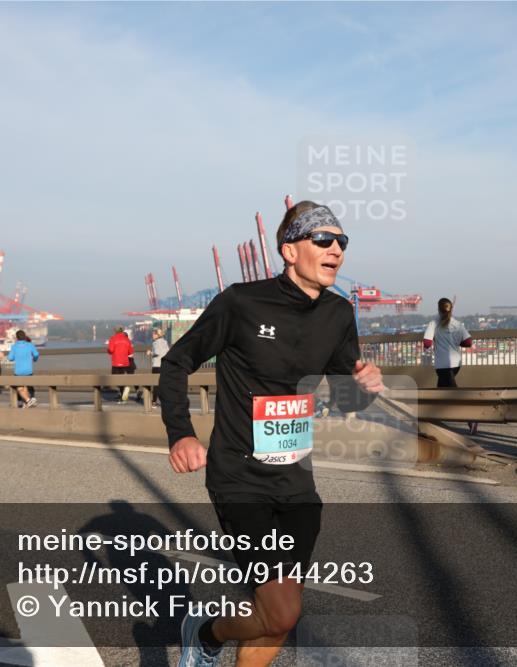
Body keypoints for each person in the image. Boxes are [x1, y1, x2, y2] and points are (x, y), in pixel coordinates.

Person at [158, 201, 384, 667]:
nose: (336, 249)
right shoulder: (241, 303)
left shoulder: (340, 314)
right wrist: (181, 433)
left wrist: (363, 390)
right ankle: (205, 633)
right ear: (289, 250)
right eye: (323, 240)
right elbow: (176, 361)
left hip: (297, 480)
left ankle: (209, 633)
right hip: (241, 478)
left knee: (276, 615)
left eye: (342, 242)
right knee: (283, 610)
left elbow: (344, 398)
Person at [423, 297, 476, 433]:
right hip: (456, 364)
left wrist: (436, 339)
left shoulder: (434, 323)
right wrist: (455, 342)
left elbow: (427, 344)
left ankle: (471, 418)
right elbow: (469, 342)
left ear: (438, 309)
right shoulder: (457, 324)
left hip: (442, 364)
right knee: (440, 391)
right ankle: (435, 422)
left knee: (453, 394)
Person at [8, 329, 39, 407]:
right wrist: (34, 359)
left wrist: (16, 356)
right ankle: (30, 400)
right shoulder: (30, 345)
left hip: (18, 372)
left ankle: (28, 401)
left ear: (17, 338)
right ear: (25, 337)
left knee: (19, 388)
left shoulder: (14, 346)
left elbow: (10, 358)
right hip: (28, 371)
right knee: (27, 388)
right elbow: (36, 354)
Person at [107, 326, 135, 403]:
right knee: (122, 378)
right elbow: (130, 351)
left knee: (116, 379)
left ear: (115, 331)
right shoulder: (127, 339)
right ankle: (124, 391)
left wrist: (109, 351)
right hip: (125, 363)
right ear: (122, 331)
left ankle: (122, 393)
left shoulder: (113, 338)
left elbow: (110, 350)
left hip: (116, 362)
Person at [147, 327, 170, 406]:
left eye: (154, 334)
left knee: (156, 384)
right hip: (164, 365)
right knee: (163, 383)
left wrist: (150, 352)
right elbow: (168, 352)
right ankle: (166, 400)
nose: (152, 335)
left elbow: (157, 352)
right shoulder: (165, 342)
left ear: (157, 335)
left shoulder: (155, 343)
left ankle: (154, 401)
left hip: (156, 365)